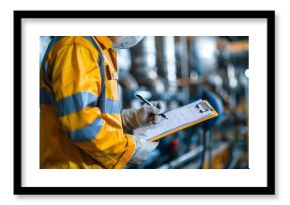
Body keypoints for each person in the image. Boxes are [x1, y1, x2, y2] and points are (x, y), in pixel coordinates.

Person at [40, 36, 166, 169]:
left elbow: (89, 116)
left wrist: (131, 118)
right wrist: (129, 148)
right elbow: (80, 124)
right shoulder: (78, 46)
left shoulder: (96, 47)